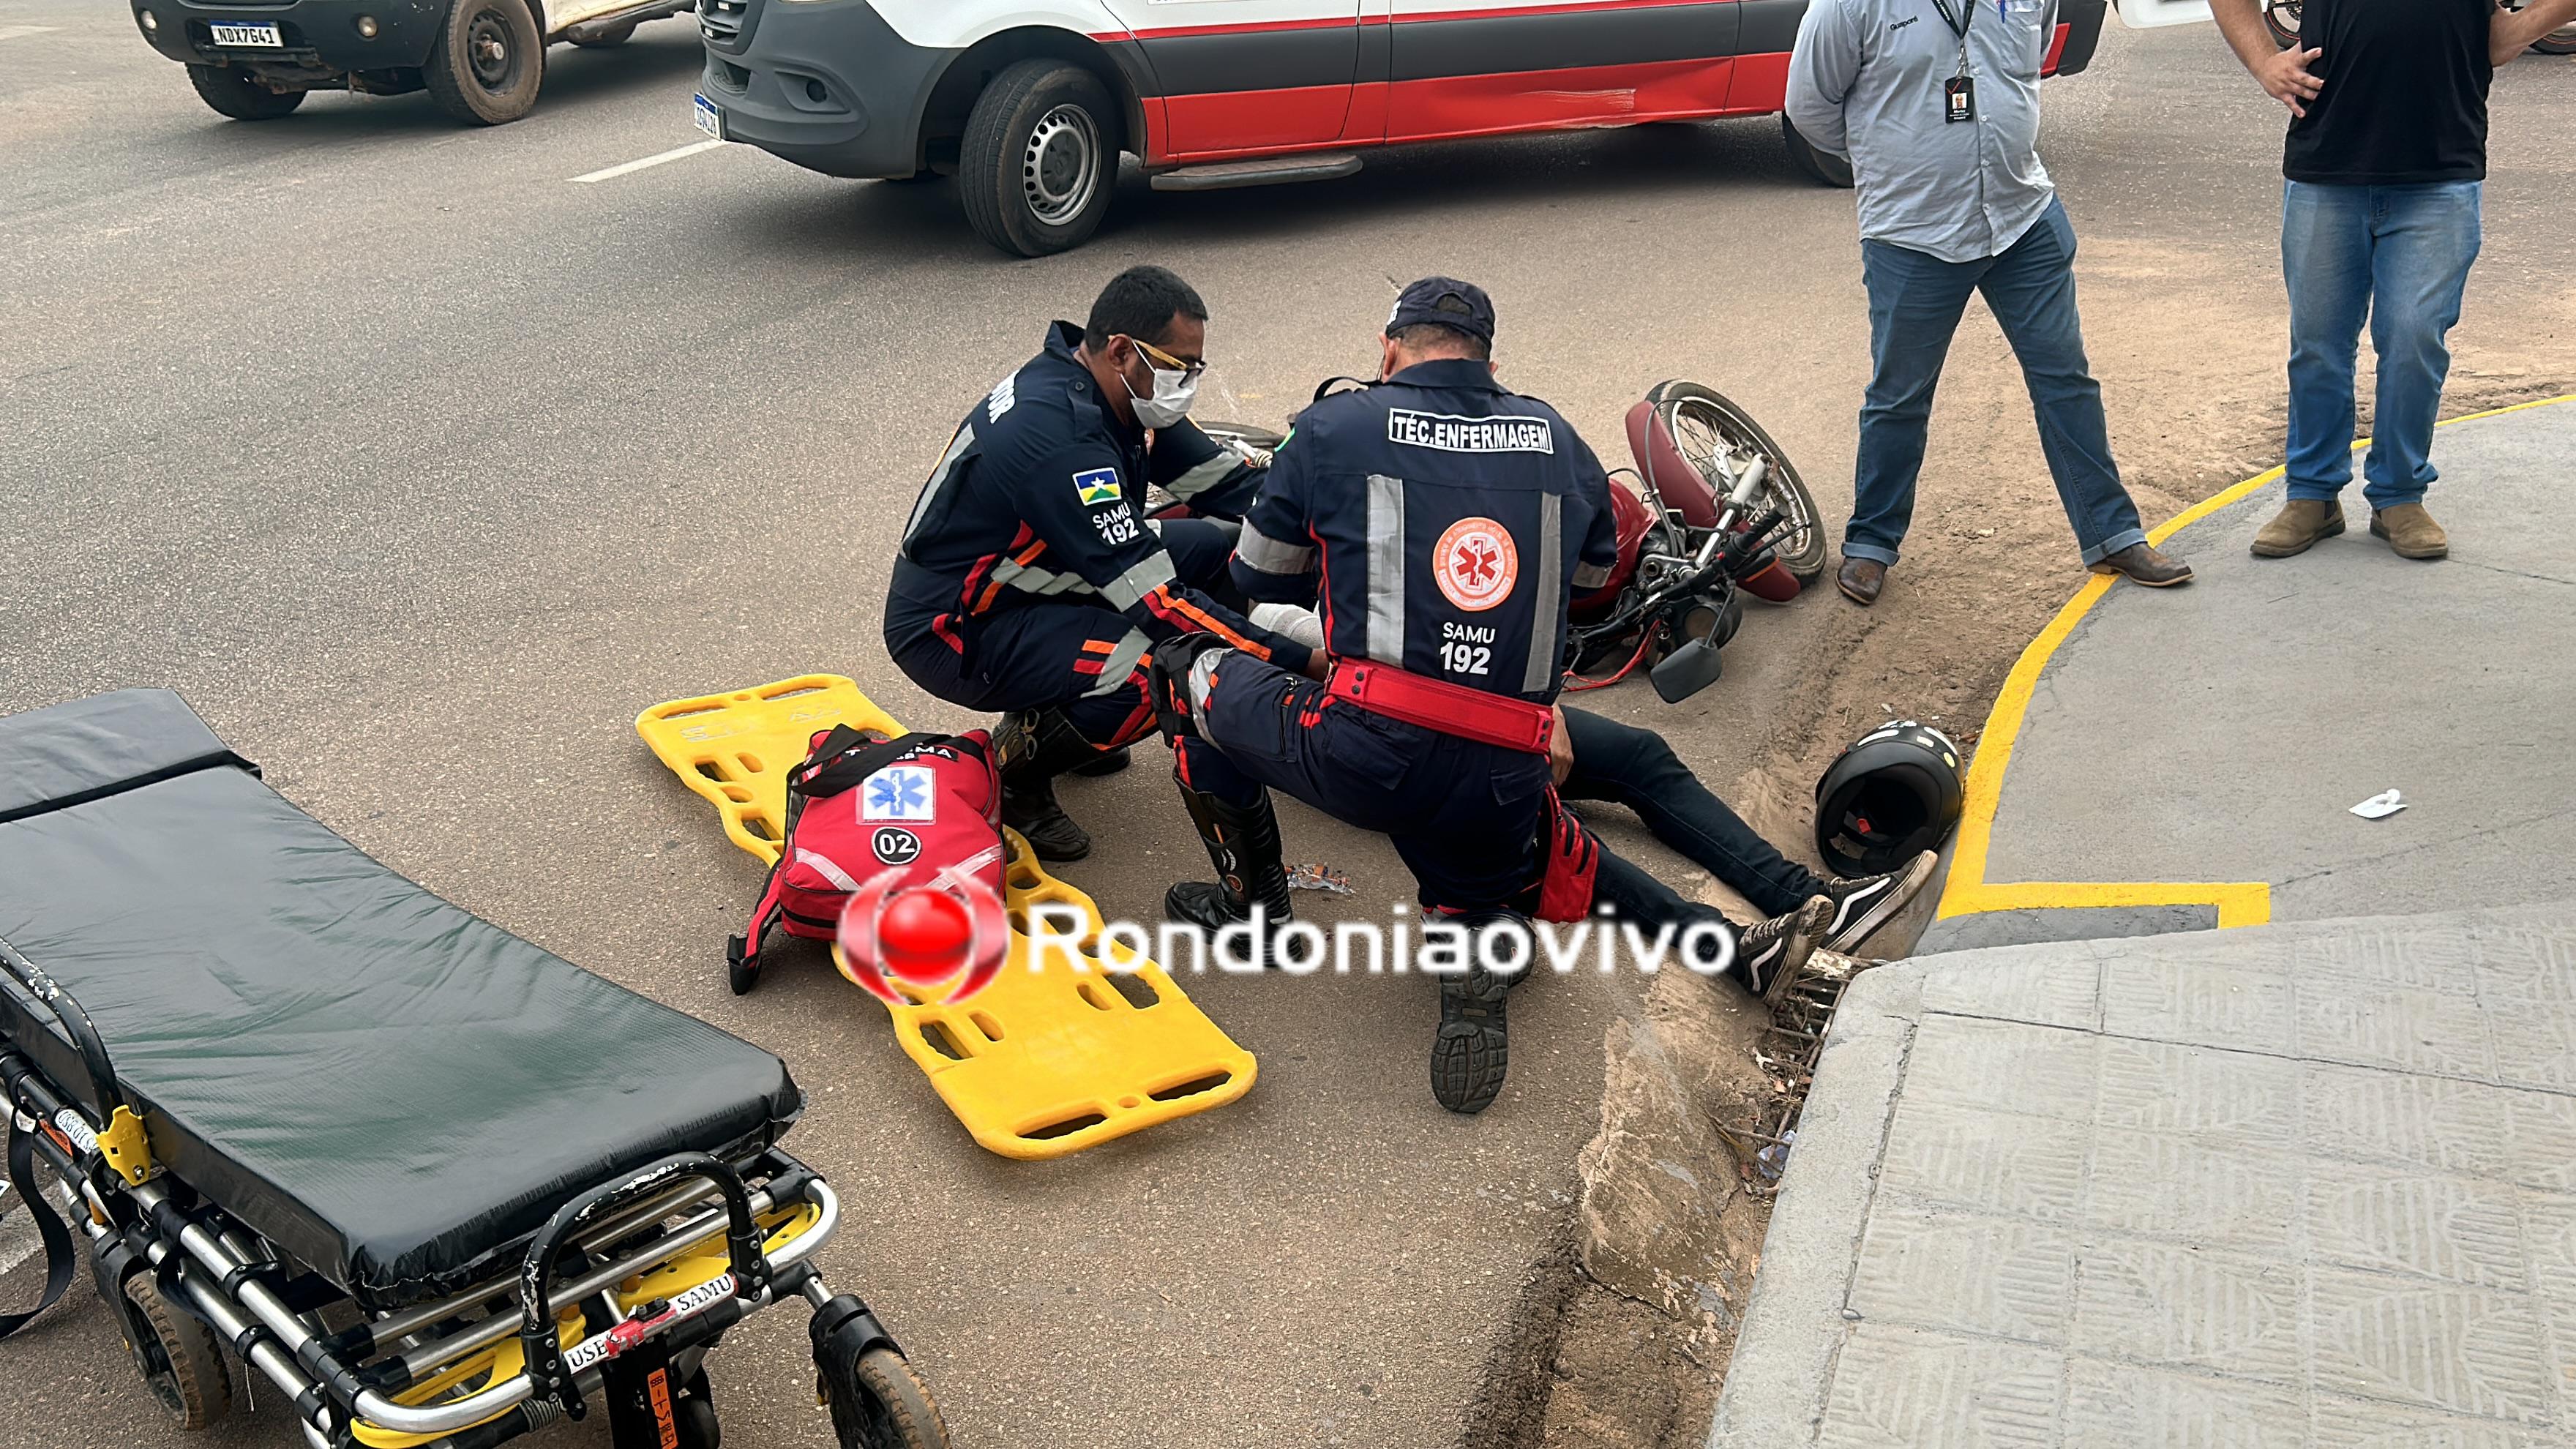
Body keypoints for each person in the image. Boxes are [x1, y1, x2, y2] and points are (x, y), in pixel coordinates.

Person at [1147, 278, 1840, 1115]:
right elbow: (1590, 580)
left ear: (1388, 349)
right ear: (1489, 360)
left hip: (1364, 738)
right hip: (1510, 755)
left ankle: (1251, 910)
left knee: (1185, 666)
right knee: (1511, 835)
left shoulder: (1334, 427)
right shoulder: (1552, 434)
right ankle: (1476, 931)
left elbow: (1257, 573)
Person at [883, 266, 1311, 863]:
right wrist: (1300, 659)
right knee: (1154, 674)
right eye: (1178, 366)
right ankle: (1017, 775)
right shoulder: (1062, 440)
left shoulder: (1117, 392)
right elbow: (1160, 604)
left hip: (1028, 575)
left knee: (1215, 546)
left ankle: (1062, 709)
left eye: (1196, 369)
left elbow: (1232, 489)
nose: (1186, 382)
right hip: (955, 627)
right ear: (1120, 351)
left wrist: (1330, 521)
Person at [1785, 0, 2193, 606]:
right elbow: (1809, 108)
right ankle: (1871, 544)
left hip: (2022, 216)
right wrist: (1890, 154)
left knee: (2066, 382)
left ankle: (2113, 534)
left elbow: (2028, 62)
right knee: (1899, 397)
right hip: (1913, 232)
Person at [2211, 0, 2576, 562]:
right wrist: (2263, 60)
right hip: (2328, 165)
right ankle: (2312, 495)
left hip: (2441, 168)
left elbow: (2497, 40)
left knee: (2414, 341)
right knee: (2319, 345)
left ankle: (2399, 495)